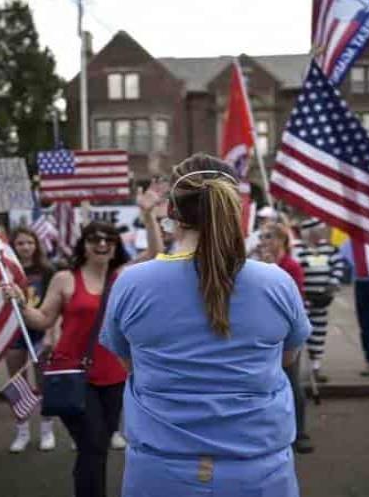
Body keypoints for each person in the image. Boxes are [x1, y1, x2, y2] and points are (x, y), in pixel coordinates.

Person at [100, 153, 310, 497]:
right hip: (259, 473)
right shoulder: (276, 283)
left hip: (160, 473)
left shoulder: (131, 283)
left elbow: (129, 363)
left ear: (171, 211)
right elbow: (287, 359)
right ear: (236, 208)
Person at [3, 188, 162, 497]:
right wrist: (22, 304)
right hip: (72, 372)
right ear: (84, 246)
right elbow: (43, 319)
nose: (102, 244)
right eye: (94, 239)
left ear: (115, 246)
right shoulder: (65, 278)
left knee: (98, 444)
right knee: (92, 442)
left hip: (114, 374)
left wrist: (148, 215)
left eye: (108, 240)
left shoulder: (124, 276)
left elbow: (155, 254)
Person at [257, 221, 314, 455]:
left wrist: (273, 272)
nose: (264, 241)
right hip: (264, 332)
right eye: (262, 237)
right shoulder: (258, 265)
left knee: (292, 382)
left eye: (269, 236)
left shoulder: (291, 266)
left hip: (286, 334)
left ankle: (300, 432)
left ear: (282, 240)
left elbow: (294, 303)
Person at [5, 227, 57, 452]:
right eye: (20, 243)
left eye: (29, 243)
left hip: (39, 329)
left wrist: (49, 332)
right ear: (12, 246)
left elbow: (55, 306)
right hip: (13, 331)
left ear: (37, 245)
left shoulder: (47, 271)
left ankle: (47, 429)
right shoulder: (5, 272)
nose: (25, 247)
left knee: (44, 382)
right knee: (18, 382)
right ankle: (22, 431)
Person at [294, 218, 345, 383]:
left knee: (319, 333)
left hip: (323, 299)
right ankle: (295, 367)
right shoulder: (299, 249)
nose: (320, 234)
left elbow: (338, 266)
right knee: (300, 335)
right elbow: (296, 271)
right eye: (317, 231)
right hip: (305, 300)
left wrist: (333, 284)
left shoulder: (329, 249)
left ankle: (316, 367)